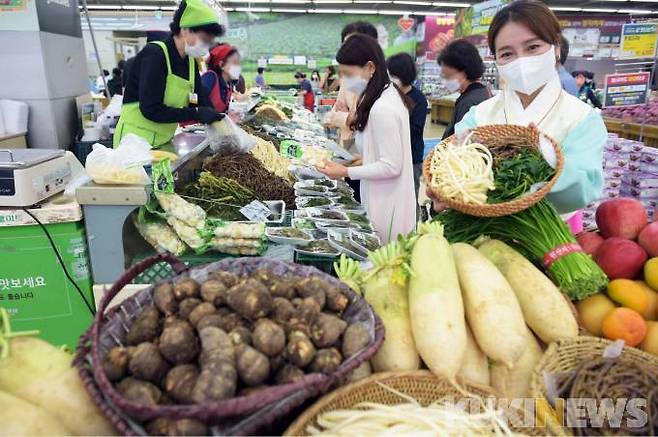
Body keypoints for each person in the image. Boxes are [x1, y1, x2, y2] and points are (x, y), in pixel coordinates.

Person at [437, 0, 606, 234]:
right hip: (484, 232)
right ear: (496, 60)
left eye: (533, 47)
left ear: (556, 47)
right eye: (507, 53)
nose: (522, 61)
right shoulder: (480, 114)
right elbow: (454, 163)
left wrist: (545, 156)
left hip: (552, 232)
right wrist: (444, 189)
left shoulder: (581, 118)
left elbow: (583, 189)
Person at [318, 34, 415, 243]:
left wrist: (345, 171)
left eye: (347, 74)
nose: (343, 81)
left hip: (387, 205)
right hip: (383, 196)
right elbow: (385, 151)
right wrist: (362, 159)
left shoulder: (382, 107)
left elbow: (391, 166)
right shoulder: (383, 95)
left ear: (370, 67)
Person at [114, 0, 224, 149]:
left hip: (163, 141)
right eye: (204, 39)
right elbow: (151, 109)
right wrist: (196, 113)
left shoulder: (190, 61)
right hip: (133, 143)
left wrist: (217, 119)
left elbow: (200, 98)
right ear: (185, 30)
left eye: (210, 41)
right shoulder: (155, 55)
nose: (206, 46)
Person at [324, 21, 379, 200]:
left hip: (374, 159)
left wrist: (353, 117)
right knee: (352, 196)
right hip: (349, 149)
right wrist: (348, 118)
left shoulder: (381, 86)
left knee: (369, 199)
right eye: (346, 45)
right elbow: (330, 116)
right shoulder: (347, 80)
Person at [386, 53, 428, 200]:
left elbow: (415, 129)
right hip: (389, 155)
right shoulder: (389, 95)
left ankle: (411, 224)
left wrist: (390, 129)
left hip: (411, 157)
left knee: (409, 198)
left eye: (392, 74)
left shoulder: (419, 99)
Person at [436, 39, 491, 140]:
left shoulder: (468, 102)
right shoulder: (482, 91)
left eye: (448, 76)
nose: (445, 82)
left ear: (464, 72)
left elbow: (460, 143)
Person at [202, 44, 241, 113]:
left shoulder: (229, 85)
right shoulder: (210, 77)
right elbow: (199, 100)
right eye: (235, 63)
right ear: (221, 65)